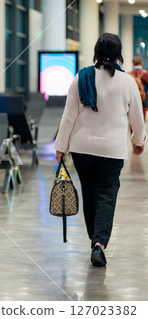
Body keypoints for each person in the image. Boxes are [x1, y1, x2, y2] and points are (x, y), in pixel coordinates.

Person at [54, 33, 146, 267]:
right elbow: (137, 116)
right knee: (107, 193)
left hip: (82, 148)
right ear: (119, 54)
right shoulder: (127, 82)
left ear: (96, 52)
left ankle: (94, 239)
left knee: (90, 193)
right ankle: (99, 244)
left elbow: (68, 117)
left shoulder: (81, 77)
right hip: (112, 150)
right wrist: (138, 140)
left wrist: (60, 147)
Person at [128, 56, 148, 120]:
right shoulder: (146, 73)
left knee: (132, 118)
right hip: (143, 99)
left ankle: (131, 130)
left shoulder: (128, 74)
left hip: (131, 99)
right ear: (142, 63)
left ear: (133, 63)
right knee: (142, 119)